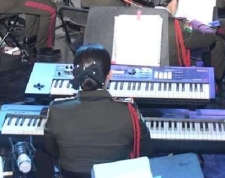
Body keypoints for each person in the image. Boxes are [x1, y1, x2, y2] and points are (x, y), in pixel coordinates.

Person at [44, 43, 152, 178]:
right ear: (109, 75)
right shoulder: (128, 111)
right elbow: (145, 149)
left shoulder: (56, 109)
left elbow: (52, 150)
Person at [147, 0, 225, 78]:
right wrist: (193, 21)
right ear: (175, 1)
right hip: (173, 76)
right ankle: (218, 82)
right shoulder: (182, 26)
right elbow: (210, 36)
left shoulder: (138, 19)